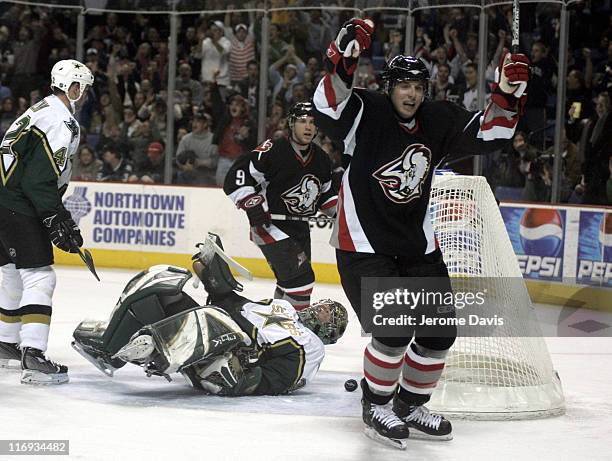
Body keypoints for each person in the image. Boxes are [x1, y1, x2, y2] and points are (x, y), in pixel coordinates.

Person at [313, 19, 529, 448]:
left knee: (437, 332)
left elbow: (492, 133)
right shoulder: (366, 111)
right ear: (388, 86)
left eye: (418, 86)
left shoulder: (438, 118)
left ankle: (409, 405)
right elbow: (327, 107)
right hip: (364, 244)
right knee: (392, 329)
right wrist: (342, 58)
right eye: (402, 85)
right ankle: (376, 404)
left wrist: (508, 92)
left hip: (417, 245)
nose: (410, 93)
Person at [72, 234, 348, 396]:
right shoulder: (284, 308)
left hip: (225, 363)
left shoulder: (312, 346)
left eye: (330, 314)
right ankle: (111, 348)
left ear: (329, 332)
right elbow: (235, 305)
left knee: (210, 319)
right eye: (324, 305)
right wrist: (212, 275)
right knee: (162, 285)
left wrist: (247, 380)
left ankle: (156, 347)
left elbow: (285, 377)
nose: (322, 308)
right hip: (217, 329)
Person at [0, 59, 94, 384]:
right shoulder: (61, 120)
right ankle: (33, 354)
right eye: (82, 87)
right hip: (17, 205)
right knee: (40, 277)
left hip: (3, 201)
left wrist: (57, 214)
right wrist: (55, 217)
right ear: (74, 87)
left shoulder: (40, 109)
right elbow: (39, 181)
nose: (84, 94)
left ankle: (5, 343)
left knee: (11, 274)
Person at [223, 102, 337, 310]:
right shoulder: (272, 150)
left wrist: (340, 214)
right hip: (270, 226)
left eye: (312, 122)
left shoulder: (321, 159)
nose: (308, 127)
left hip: (301, 229)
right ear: (291, 124)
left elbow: (325, 194)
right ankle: (296, 333)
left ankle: (277, 328)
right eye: (303, 121)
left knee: (289, 284)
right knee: (302, 281)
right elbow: (237, 175)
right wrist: (252, 203)